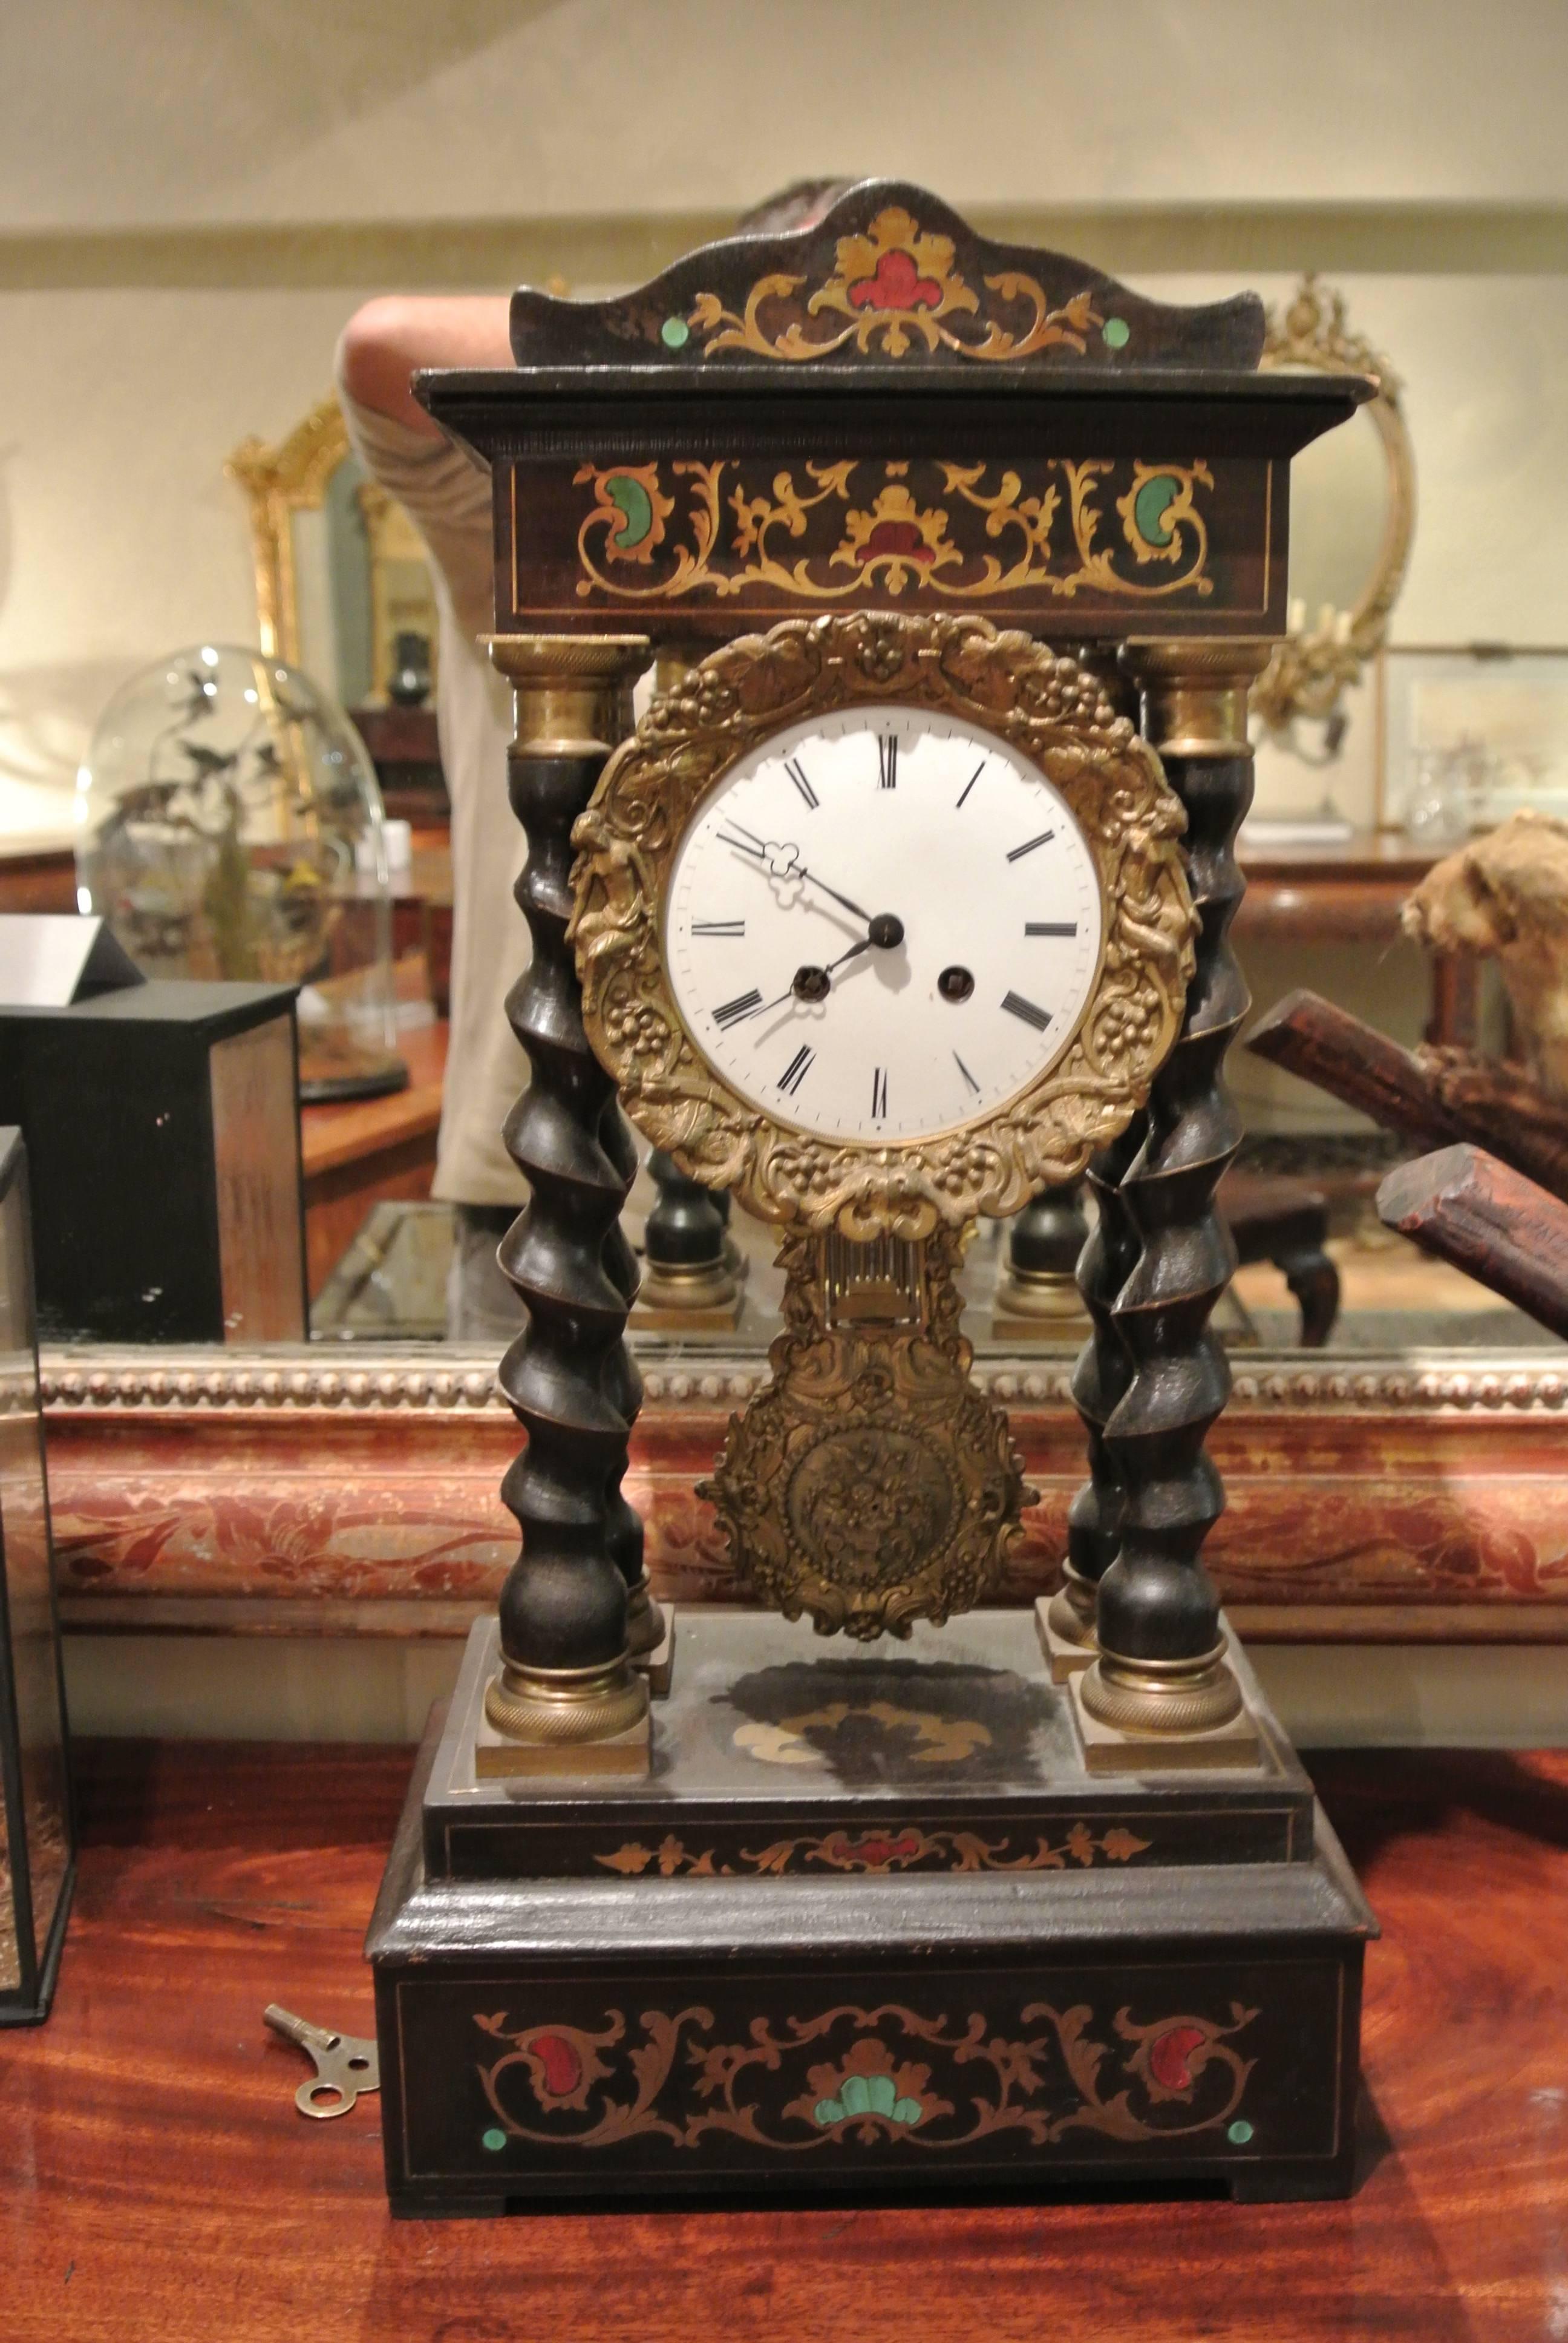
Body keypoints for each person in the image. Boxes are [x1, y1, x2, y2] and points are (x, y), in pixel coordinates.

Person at [336, 185, 848, 1339]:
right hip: (555, 1191)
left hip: (843, 1221)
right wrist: (686, 343)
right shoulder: (544, 506)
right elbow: (382, 350)